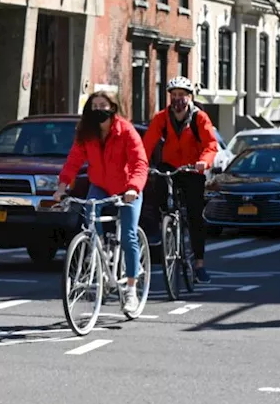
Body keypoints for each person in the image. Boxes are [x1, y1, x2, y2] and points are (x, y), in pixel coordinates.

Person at [53, 92, 149, 314]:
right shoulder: (86, 132)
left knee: (128, 235)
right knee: (90, 214)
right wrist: (61, 187)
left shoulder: (126, 131)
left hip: (127, 189)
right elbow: (74, 160)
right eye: (94, 106)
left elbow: (139, 163)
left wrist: (134, 188)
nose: (98, 110)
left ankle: (131, 291)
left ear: (113, 107)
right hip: (100, 185)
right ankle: (99, 251)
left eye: (103, 105)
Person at [141, 76, 220, 285]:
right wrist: (142, 165)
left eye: (181, 95)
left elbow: (211, 145)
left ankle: (200, 264)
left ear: (189, 97)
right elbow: (147, 144)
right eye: (173, 96)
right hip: (170, 166)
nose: (177, 100)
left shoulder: (199, 118)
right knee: (158, 189)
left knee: (195, 216)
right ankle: (167, 227)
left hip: (193, 168)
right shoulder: (162, 118)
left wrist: (203, 162)